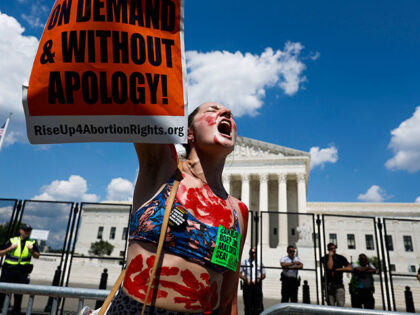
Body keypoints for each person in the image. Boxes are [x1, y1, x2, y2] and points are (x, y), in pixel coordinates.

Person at [92, 102, 248, 315]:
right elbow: (143, 106)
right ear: (189, 133)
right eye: (212, 110)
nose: (227, 113)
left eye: (230, 115)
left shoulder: (237, 211)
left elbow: (228, 299)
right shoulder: (162, 171)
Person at [0, 224, 40, 315]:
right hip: (8, 270)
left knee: (19, 294)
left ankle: (16, 311)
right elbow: (1, 253)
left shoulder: (32, 242)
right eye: (25, 230)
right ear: (21, 231)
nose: (27, 232)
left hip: (22, 271)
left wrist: (32, 250)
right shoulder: (12, 240)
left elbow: (37, 256)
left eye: (29, 231)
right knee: (2, 292)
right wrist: (10, 248)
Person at [239, 248, 266, 314]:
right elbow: (239, 273)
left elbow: (264, 274)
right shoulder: (245, 262)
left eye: (254, 253)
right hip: (248, 285)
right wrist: (245, 279)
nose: (253, 254)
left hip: (256, 286)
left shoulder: (259, 263)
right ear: (249, 254)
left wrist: (258, 279)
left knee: (258, 304)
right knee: (248, 304)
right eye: (251, 253)